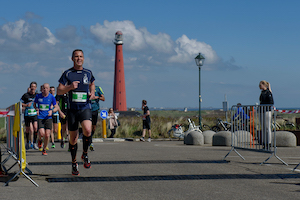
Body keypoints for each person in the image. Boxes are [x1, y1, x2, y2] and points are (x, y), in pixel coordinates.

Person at [57, 49, 95, 176]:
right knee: (73, 139)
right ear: (72, 59)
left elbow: (92, 83)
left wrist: (93, 92)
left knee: (88, 130)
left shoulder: (88, 73)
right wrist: (69, 87)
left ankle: (84, 154)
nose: (79, 58)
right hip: (72, 110)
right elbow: (59, 91)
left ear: (83, 58)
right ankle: (74, 162)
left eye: (81, 56)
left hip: (85, 107)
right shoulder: (67, 73)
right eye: (76, 56)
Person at [34, 83, 60, 156]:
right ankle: (39, 140)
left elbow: (56, 107)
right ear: (41, 89)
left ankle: (44, 149)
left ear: (49, 89)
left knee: (47, 135)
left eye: (46, 88)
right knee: (42, 133)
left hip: (48, 118)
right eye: (43, 88)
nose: (45, 89)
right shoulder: (38, 96)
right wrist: (36, 109)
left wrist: (52, 111)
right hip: (40, 117)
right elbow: (34, 104)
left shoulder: (51, 97)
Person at [21, 82, 38, 150]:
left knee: (35, 128)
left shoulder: (37, 95)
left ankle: (34, 142)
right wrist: (25, 105)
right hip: (27, 114)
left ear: (36, 88)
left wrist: (38, 109)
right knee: (28, 129)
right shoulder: (25, 95)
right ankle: (27, 142)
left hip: (34, 114)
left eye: (34, 86)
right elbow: (20, 102)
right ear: (30, 87)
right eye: (32, 86)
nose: (33, 88)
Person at [259, 80, 274, 149]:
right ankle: (264, 142)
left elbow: (271, 102)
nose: (259, 86)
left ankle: (269, 142)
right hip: (262, 111)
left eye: (260, 85)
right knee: (264, 127)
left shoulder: (268, 93)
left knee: (267, 127)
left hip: (267, 111)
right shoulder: (262, 92)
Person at [90, 85, 105, 150]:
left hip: (95, 110)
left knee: (93, 127)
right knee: (88, 126)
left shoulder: (98, 88)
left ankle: (87, 136)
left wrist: (97, 97)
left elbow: (103, 98)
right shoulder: (85, 87)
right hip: (87, 109)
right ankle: (90, 142)